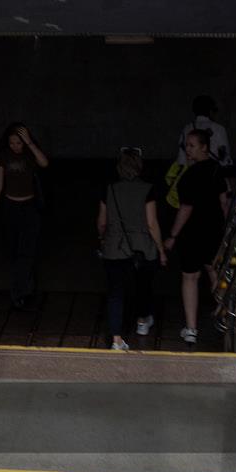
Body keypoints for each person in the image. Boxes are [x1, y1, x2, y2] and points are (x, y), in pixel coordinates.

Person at [97, 148, 167, 351]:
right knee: (143, 286)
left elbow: (102, 222)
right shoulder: (147, 189)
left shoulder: (109, 189)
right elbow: (151, 223)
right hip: (142, 248)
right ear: (139, 166)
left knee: (115, 293)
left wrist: (102, 239)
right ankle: (142, 321)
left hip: (114, 247)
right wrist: (161, 249)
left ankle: (116, 339)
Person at [164, 129, 230, 344]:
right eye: (187, 145)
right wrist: (226, 228)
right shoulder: (217, 170)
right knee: (214, 272)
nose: (188, 149)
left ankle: (191, 328)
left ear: (204, 147)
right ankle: (225, 317)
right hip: (214, 230)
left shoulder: (189, 176)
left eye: (192, 145)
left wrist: (173, 235)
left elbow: (186, 208)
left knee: (190, 277)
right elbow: (224, 202)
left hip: (191, 233)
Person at [0, 123, 50, 309]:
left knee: (28, 250)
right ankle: (21, 289)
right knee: (14, 250)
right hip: (10, 206)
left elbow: (44, 163)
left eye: (18, 143)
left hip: (29, 206)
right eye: (12, 143)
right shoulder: (4, 156)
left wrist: (29, 143)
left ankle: (24, 291)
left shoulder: (29, 154)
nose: (15, 146)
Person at [166, 95, 232, 208]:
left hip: (192, 178)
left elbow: (181, 160)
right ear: (210, 111)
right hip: (213, 179)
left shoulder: (187, 129)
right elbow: (225, 159)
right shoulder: (219, 129)